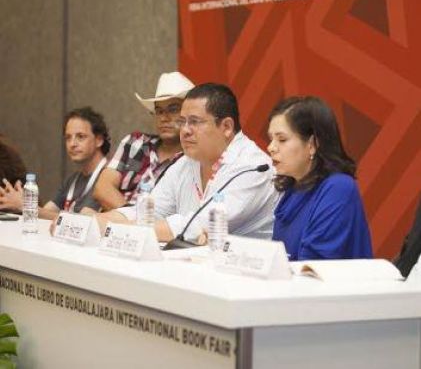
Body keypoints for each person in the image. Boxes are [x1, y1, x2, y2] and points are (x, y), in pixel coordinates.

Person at [97, 83, 278, 242]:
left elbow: (198, 225)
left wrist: (120, 228)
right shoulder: (186, 163)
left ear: (226, 127)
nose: (184, 131)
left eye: (194, 122)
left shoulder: (252, 167)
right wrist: (100, 220)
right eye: (183, 122)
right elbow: (151, 211)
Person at [267, 96, 373, 260]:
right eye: (271, 139)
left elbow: (314, 264)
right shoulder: (293, 187)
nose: (271, 147)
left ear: (312, 144)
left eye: (282, 139)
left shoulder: (339, 188)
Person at [93, 71, 194, 210]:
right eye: (159, 111)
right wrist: (131, 218)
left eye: (173, 109)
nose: (163, 118)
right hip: (116, 220)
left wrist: (131, 219)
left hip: (154, 223)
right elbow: (102, 188)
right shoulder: (136, 142)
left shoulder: (193, 159)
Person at [0, 107, 110, 219]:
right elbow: (45, 213)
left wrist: (26, 206)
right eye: (68, 138)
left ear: (99, 140)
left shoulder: (109, 179)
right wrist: (23, 204)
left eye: (80, 137)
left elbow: (83, 222)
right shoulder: (73, 179)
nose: (72, 144)